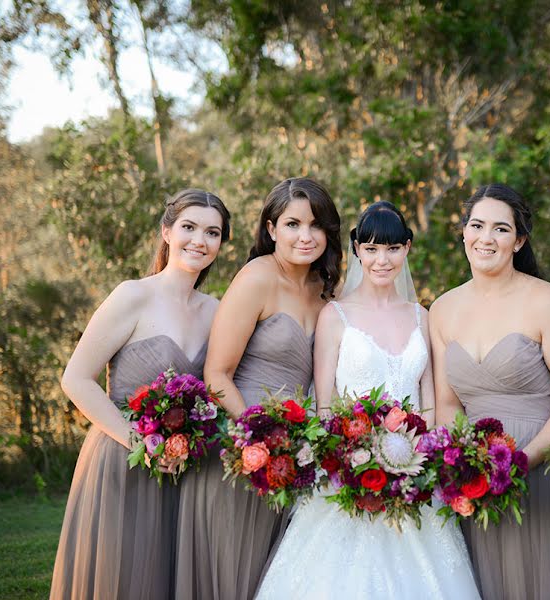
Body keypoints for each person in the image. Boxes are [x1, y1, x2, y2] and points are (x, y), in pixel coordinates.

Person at [255, 201, 480, 600]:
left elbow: (429, 403)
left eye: (392, 249)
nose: (382, 260)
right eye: (372, 248)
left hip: (415, 476)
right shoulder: (334, 315)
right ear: (357, 249)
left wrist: (422, 461)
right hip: (348, 472)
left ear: (407, 249)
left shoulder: (421, 316)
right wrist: (352, 459)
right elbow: (324, 405)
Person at [50, 189, 231, 600]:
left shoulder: (216, 310)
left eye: (212, 232)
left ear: (221, 244)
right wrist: (141, 442)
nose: (199, 241)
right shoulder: (133, 295)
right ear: (167, 232)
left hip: (185, 471)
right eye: (188, 227)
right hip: (121, 460)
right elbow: (76, 379)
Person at [430, 183, 550, 600]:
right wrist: (466, 461)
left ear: (518, 240)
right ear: (464, 232)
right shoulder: (441, 309)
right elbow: (447, 404)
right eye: (477, 225)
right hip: (473, 477)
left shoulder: (545, 301)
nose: (486, 238)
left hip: (538, 472)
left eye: (501, 229)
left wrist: (522, 461)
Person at [175, 177, 341, 600]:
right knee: (233, 575)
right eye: (292, 224)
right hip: (238, 449)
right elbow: (216, 375)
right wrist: (261, 436)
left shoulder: (325, 292)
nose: (305, 236)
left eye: (316, 225)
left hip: (290, 459)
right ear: (270, 229)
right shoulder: (256, 278)